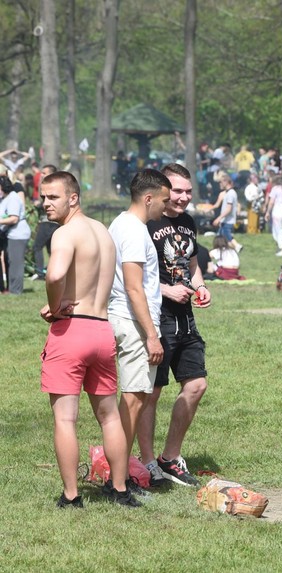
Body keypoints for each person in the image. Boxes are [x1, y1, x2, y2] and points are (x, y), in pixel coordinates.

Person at [39, 171, 141, 508]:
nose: (45, 203)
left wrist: (55, 306)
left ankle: (71, 496)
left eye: (53, 197)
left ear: (73, 198)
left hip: (71, 330)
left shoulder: (66, 233)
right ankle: (120, 489)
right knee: (109, 416)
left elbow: (55, 274)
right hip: (101, 330)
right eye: (43, 197)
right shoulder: (103, 233)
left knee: (65, 418)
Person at [138, 163, 212, 487]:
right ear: (163, 190)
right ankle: (147, 463)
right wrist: (166, 290)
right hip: (157, 317)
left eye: (188, 191)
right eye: (177, 191)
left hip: (185, 318)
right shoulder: (146, 223)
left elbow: (192, 264)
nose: (183, 197)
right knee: (151, 392)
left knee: (196, 385)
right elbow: (131, 278)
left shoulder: (188, 222)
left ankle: (170, 458)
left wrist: (201, 286)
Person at [107, 169, 171, 496]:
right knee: (132, 402)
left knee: (135, 400)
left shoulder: (120, 224)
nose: (166, 206)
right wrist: (151, 335)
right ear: (148, 198)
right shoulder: (133, 230)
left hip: (126, 320)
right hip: (133, 323)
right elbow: (134, 287)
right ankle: (118, 481)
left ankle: (120, 474)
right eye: (164, 200)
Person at [0, 174, 31, 294]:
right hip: (11, 234)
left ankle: (16, 291)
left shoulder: (13, 198)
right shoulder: (5, 198)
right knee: (11, 262)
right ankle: (12, 289)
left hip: (18, 235)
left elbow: (14, 218)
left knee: (16, 264)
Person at [31, 164, 59, 280]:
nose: (41, 175)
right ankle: (54, 271)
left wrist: (39, 204)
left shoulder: (54, 187)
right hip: (48, 221)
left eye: (44, 173)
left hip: (49, 222)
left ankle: (40, 273)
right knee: (51, 250)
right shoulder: (46, 185)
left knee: (37, 246)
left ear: (51, 174)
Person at [212, 173, 243, 252]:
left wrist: (218, 218)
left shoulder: (231, 194)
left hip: (228, 221)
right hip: (225, 220)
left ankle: (237, 246)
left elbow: (228, 209)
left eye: (221, 182)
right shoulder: (228, 193)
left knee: (226, 238)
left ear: (226, 182)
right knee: (222, 239)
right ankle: (227, 250)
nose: (220, 184)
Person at [264, 174, 282, 256]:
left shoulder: (275, 189)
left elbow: (271, 202)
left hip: (277, 211)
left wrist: (268, 212)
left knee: (278, 230)